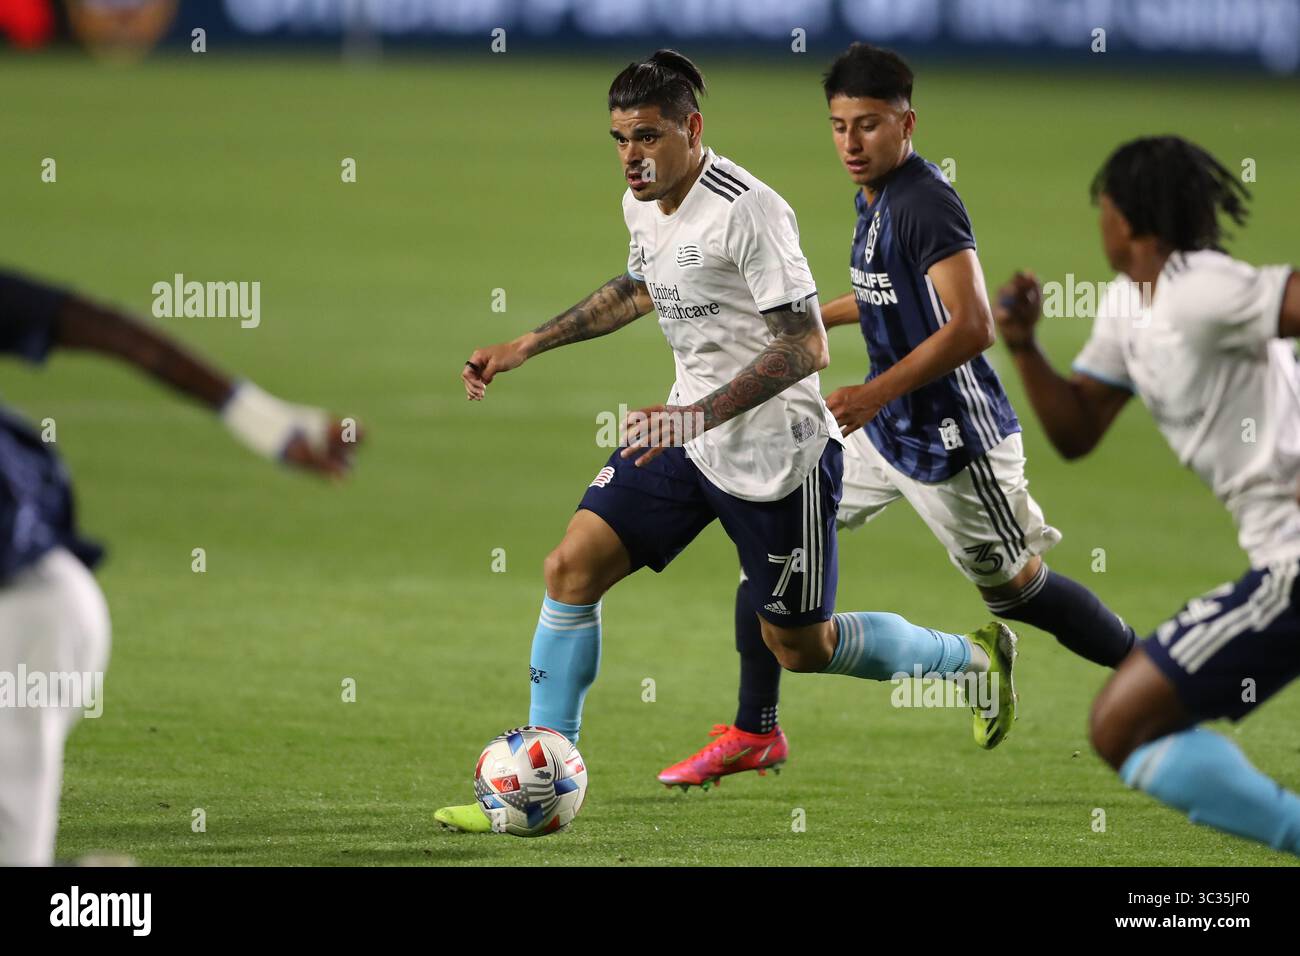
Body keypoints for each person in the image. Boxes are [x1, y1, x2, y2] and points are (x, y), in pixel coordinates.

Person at [437, 49, 1016, 834]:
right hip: (689, 437)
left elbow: (807, 347)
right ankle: (546, 779)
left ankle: (972, 660)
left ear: (692, 129)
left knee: (800, 647)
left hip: (779, 458)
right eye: (618, 138)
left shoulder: (750, 210)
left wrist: (696, 416)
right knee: (569, 568)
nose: (632, 155)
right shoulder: (642, 201)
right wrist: (526, 345)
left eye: (647, 136)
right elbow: (639, 286)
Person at [659, 43, 1134, 789]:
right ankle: (755, 731)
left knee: (1015, 588)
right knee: (775, 541)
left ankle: (1157, 676)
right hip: (888, 434)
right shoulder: (874, 197)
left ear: (907, 123)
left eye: (869, 125)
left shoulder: (923, 201)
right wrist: (801, 318)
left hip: (956, 445)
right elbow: (883, 295)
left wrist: (874, 393)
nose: (851, 142)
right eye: (839, 125)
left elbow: (973, 325)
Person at [994, 135, 1300, 855]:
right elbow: (1077, 429)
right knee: (1125, 726)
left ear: (1125, 219)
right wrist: (1023, 344)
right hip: (1278, 558)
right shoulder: (1129, 306)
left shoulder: (1202, 288)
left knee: (1121, 725)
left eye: (1102, 209)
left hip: (1292, 566)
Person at [0, 268, 361, 865]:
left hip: (23, 622)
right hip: (50, 605)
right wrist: (259, 420)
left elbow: (98, 326)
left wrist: (263, 420)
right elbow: (107, 330)